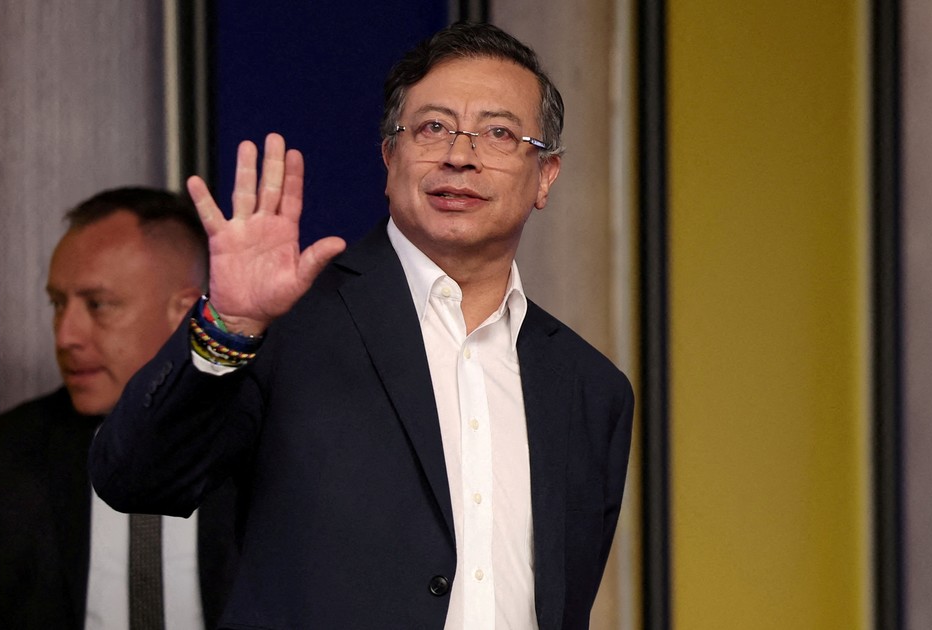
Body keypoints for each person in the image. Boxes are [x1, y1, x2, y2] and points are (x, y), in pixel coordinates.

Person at [90, 22, 633, 629]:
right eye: (433, 128)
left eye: (499, 133)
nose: (460, 155)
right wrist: (229, 325)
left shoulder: (591, 390)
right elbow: (135, 480)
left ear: (546, 176)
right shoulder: (285, 327)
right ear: (389, 156)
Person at [0, 188, 240, 629]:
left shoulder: (262, 440)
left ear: (182, 313)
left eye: (98, 305)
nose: (66, 336)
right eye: (58, 304)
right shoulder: (10, 450)